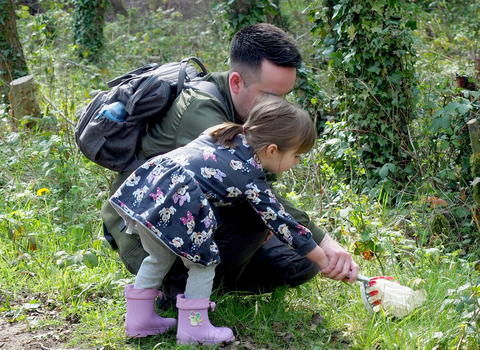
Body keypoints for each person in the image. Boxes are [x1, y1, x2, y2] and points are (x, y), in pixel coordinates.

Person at [101, 23, 358, 305]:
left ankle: (210, 283)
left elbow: (265, 195)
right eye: (272, 96)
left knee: (299, 260)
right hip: (147, 231)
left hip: (192, 218)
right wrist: (324, 243)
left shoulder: (251, 115)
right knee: (258, 219)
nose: (279, 105)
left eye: (285, 96)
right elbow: (262, 199)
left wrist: (313, 247)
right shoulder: (201, 111)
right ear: (236, 82)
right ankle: (176, 289)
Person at [109, 95, 330, 344]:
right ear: (272, 150)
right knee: (203, 264)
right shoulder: (251, 177)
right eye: (296, 156)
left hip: (151, 189)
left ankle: (139, 321)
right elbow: (282, 223)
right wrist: (323, 259)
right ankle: (194, 328)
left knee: (158, 256)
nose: (297, 162)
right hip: (179, 201)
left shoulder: (223, 134)